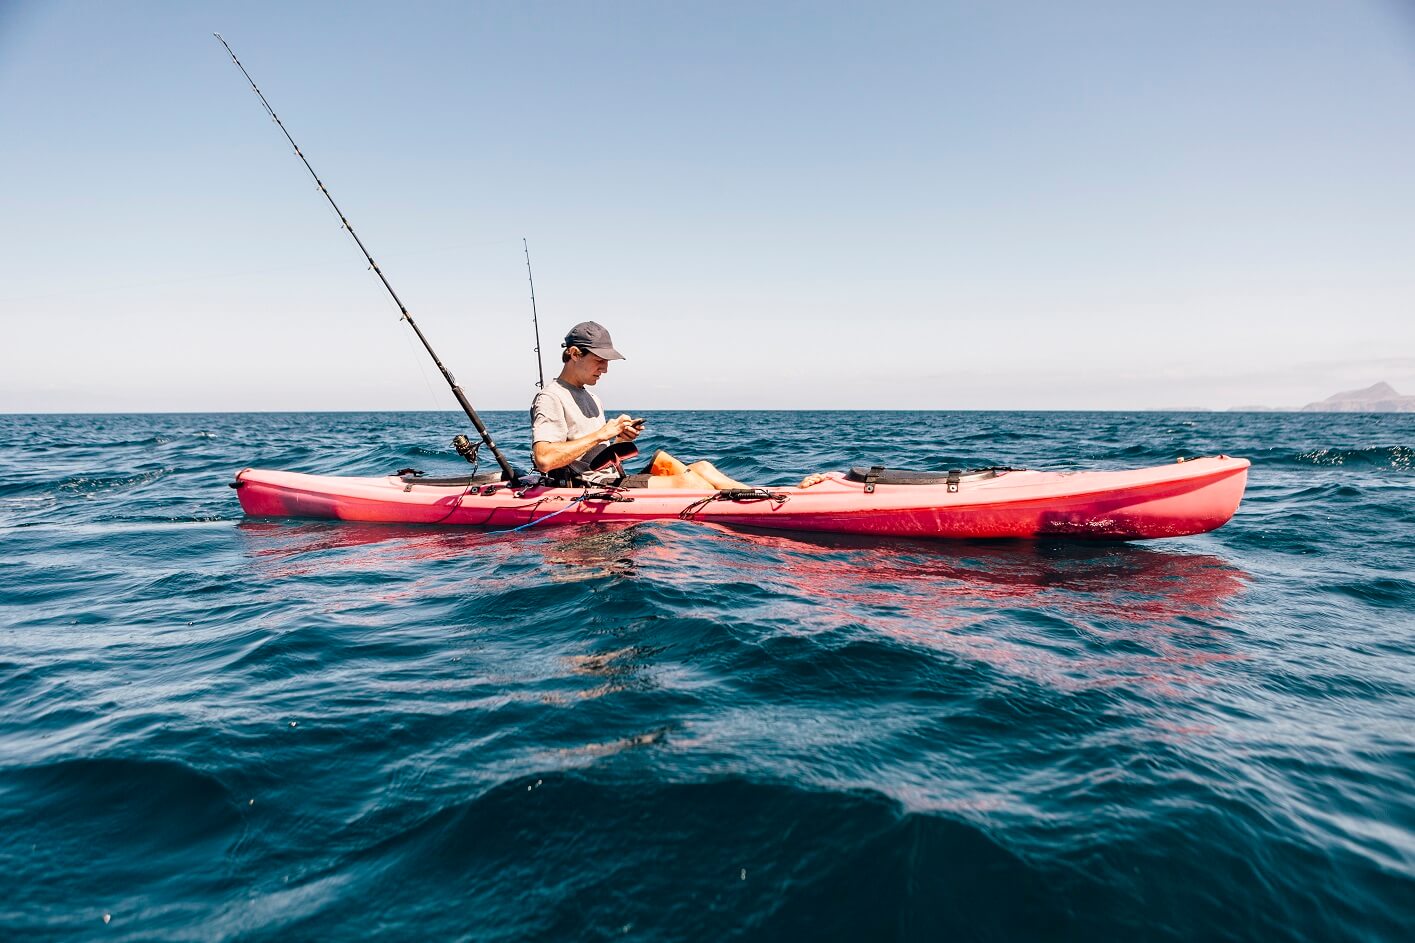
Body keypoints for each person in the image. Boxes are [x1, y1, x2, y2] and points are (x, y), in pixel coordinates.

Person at [530, 321, 748, 490]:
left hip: (611, 478)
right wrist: (602, 434)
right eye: (600, 360)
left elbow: (593, 455)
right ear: (576, 354)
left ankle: (765, 499)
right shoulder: (551, 397)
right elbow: (545, 459)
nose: (605, 369)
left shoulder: (593, 398)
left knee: (703, 468)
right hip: (589, 487)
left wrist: (620, 438)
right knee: (693, 484)